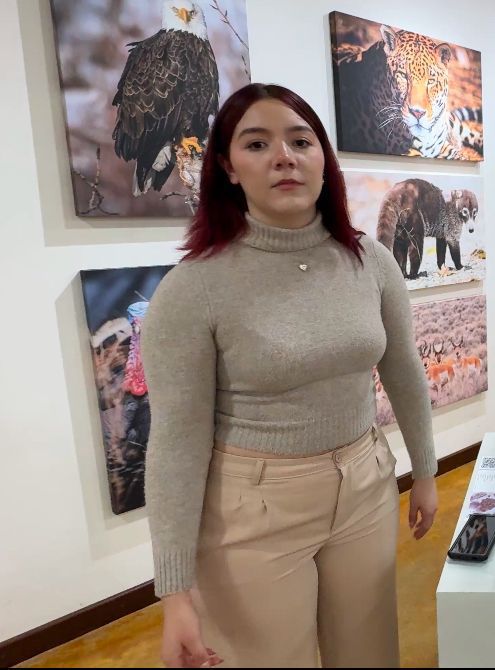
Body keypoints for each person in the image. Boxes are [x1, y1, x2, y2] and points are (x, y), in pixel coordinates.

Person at [141, 83, 439, 668]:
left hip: (365, 487)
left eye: (301, 141)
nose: (284, 156)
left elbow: (403, 370)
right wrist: (174, 591)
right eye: (257, 143)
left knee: (371, 654)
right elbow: (176, 442)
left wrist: (424, 471)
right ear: (228, 167)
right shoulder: (194, 288)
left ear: (323, 161)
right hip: (254, 510)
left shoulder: (370, 261)